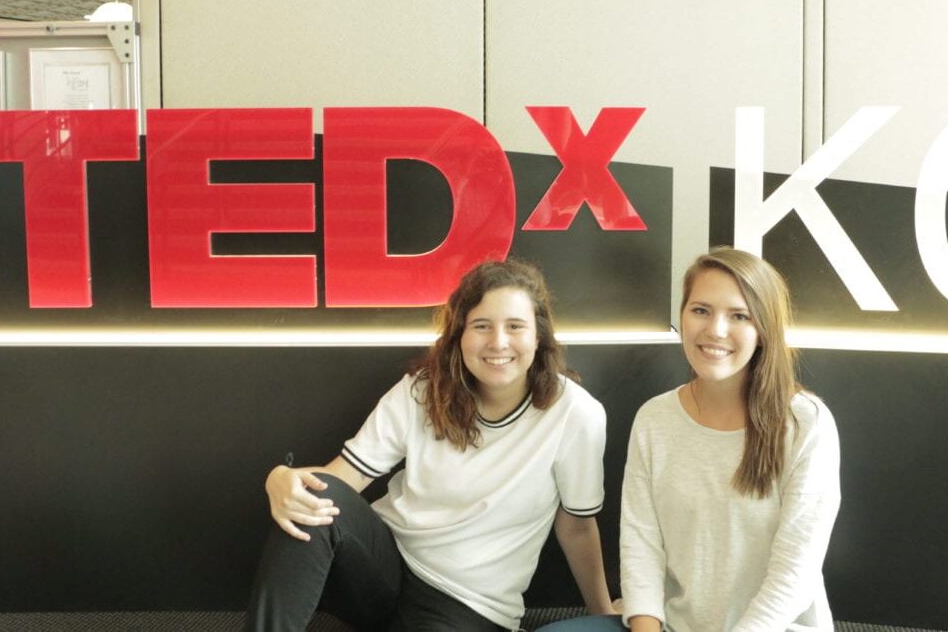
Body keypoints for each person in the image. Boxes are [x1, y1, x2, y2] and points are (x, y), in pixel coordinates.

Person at [246, 259, 615, 631]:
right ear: (459, 335)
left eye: (515, 327)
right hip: (384, 572)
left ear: (539, 336)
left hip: (469, 606)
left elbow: (576, 526)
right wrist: (281, 478)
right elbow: (340, 481)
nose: (498, 342)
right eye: (482, 326)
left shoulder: (576, 414)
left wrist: (603, 614)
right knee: (311, 502)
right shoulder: (423, 390)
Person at [543, 247, 840, 632]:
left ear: (763, 330)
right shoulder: (655, 419)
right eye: (701, 310)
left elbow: (794, 575)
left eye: (739, 316)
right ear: (682, 315)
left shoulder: (805, 422)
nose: (715, 330)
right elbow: (641, 549)